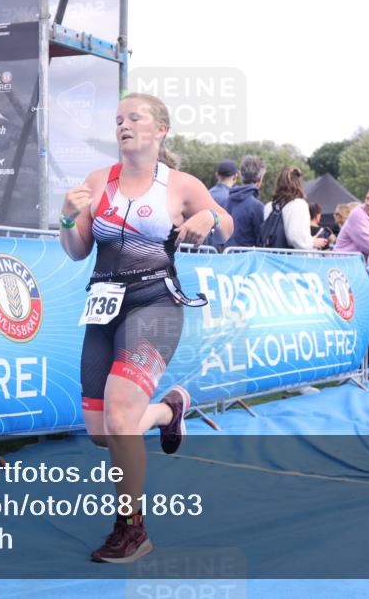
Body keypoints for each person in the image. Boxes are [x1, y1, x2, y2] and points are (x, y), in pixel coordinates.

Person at [58, 92, 233, 563]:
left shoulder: (179, 184)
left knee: (118, 417)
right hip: (103, 305)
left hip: (155, 302)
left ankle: (132, 530)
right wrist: (65, 217)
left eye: (135, 118)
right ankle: (167, 411)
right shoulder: (98, 182)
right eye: (118, 119)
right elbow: (76, 251)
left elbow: (228, 224)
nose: (124, 125)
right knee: (102, 431)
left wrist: (207, 215)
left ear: (160, 131)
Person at [263, 168, 328, 250]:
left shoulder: (269, 206)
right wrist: (312, 242)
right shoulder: (299, 204)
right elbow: (296, 237)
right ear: (298, 184)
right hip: (291, 258)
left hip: (270, 256)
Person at [224, 155, 266, 248]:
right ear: (260, 179)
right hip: (247, 259)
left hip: (228, 257)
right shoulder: (257, 206)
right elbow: (260, 240)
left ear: (241, 176)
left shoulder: (229, 200)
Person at [207, 160, 238, 250]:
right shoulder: (232, 198)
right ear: (235, 176)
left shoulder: (207, 194)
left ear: (217, 175)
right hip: (223, 250)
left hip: (206, 248)